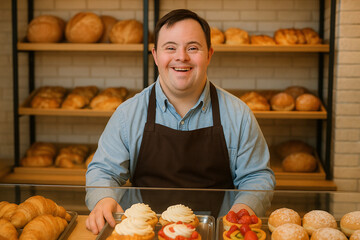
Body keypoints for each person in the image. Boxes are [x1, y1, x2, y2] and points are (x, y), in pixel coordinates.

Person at [85, 9, 276, 234]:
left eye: (193, 48)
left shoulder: (238, 114)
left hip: (215, 233)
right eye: (170, 48)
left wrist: (243, 211)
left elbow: (257, 176)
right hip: (144, 233)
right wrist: (104, 198)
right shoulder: (128, 113)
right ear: (156, 56)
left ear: (209, 54)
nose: (182, 57)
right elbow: (104, 171)